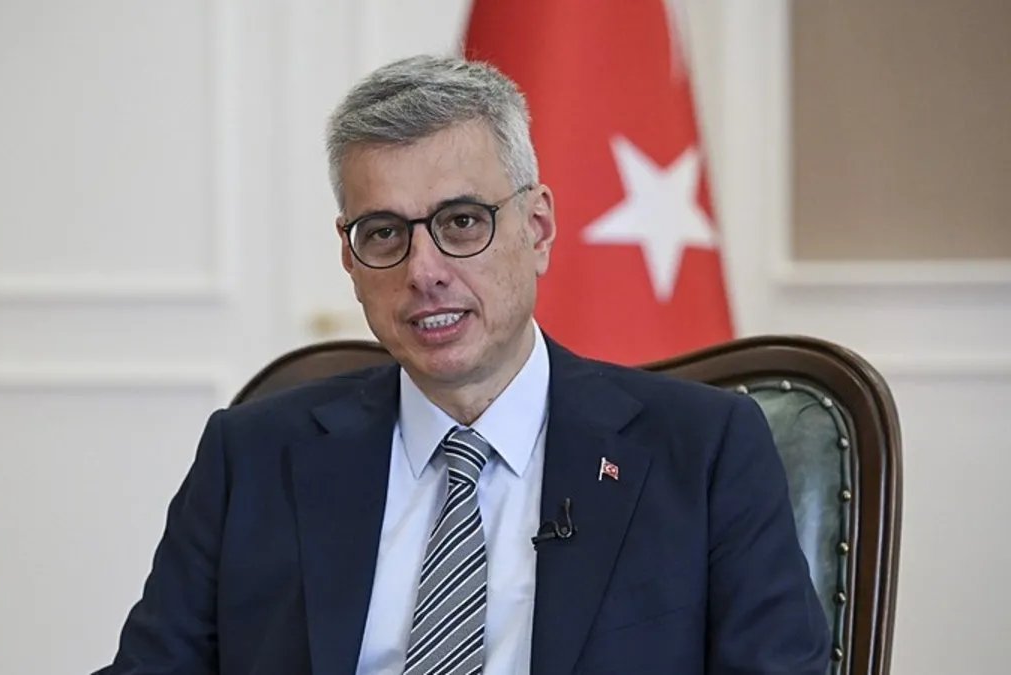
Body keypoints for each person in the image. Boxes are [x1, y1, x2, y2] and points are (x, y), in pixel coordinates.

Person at [96, 54, 830, 675]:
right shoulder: (251, 457)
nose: (424, 271)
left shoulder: (704, 451)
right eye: (384, 233)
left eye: (462, 222)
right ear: (349, 257)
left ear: (537, 228)